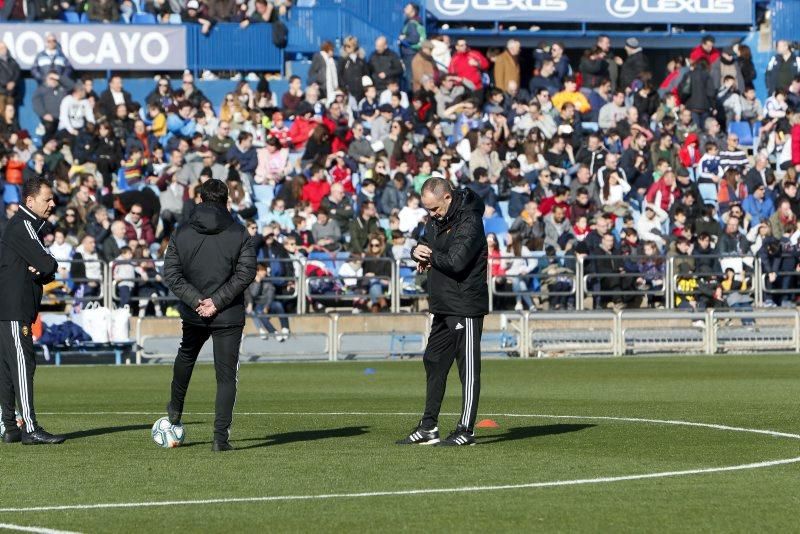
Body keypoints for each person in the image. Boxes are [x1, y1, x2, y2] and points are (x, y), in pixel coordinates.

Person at [162, 179, 257, 452]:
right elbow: (246, 273)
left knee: (186, 356)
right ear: (227, 201)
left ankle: (175, 412)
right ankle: (220, 438)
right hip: (227, 314)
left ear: (200, 200)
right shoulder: (240, 232)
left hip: (195, 313)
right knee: (226, 376)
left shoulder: (181, 232)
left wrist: (196, 301)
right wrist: (216, 301)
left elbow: (171, 273)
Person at [398, 177, 487, 447]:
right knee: (434, 362)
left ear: (447, 198)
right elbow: (424, 245)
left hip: (465, 305)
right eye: (427, 209)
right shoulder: (435, 221)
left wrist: (430, 256)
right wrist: (416, 252)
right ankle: (428, 426)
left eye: (434, 208)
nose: (431, 214)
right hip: (441, 305)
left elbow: (457, 262)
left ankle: (465, 430)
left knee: (467, 370)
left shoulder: (470, 221)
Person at [0, 175, 65, 444]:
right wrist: (45, 266)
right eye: (47, 199)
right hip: (15, 309)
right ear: (29, 201)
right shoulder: (24, 225)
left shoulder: (28, 227)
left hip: (10, 309)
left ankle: (9, 427)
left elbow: (44, 269)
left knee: (6, 369)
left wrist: (42, 268)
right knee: (22, 366)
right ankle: (29, 428)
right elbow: (49, 265)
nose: (52, 204)